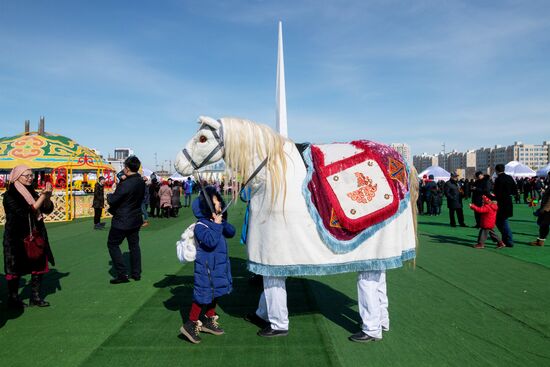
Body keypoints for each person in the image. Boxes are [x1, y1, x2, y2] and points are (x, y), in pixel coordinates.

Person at [180, 186, 236, 344]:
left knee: (216, 292)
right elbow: (210, 241)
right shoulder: (200, 225)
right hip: (207, 269)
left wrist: (222, 222)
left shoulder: (216, 222)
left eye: (219, 202)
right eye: (216, 203)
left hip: (218, 267)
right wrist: (217, 225)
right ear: (207, 208)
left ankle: (208, 319)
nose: (220, 205)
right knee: (202, 295)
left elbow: (231, 232)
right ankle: (190, 324)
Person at [3, 165, 55, 308]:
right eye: (26, 175)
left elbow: (46, 209)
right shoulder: (9, 195)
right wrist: (43, 196)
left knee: (38, 265)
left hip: (35, 235)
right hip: (16, 237)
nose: (30, 178)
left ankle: (35, 297)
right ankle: (13, 299)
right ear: (16, 177)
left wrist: (47, 197)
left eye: (31, 175)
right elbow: (25, 212)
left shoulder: (32, 192)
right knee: (14, 269)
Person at [106, 156, 146, 284]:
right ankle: (136, 273)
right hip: (135, 218)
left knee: (112, 244)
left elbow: (113, 200)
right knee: (134, 245)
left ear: (127, 169)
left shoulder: (126, 183)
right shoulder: (140, 182)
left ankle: (122, 274)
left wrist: (109, 195)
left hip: (122, 219)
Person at [493, 164, 517, 247]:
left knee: (502, 222)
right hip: (508, 202)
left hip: (501, 203)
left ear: (496, 170)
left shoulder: (498, 179)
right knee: (503, 221)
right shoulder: (509, 178)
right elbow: (515, 190)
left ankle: (509, 240)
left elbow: (496, 192)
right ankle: (505, 240)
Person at [531, 174, 550, 246]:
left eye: (549, 176)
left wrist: (545, 208)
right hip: (545, 208)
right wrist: (534, 202)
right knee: (543, 225)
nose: (547, 178)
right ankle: (539, 240)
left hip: (547, 209)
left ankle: (540, 241)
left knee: (544, 225)